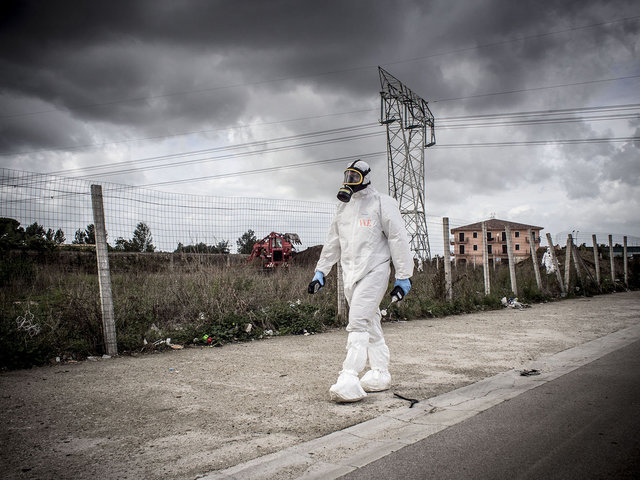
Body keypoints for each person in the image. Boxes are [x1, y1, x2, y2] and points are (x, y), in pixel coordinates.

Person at [308, 160, 414, 403]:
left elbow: (398, 238)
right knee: (370, 321)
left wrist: (403, 276)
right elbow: (333, 242)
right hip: (350, 275)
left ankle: (349, 378)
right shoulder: (342, 209)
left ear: (366, 177)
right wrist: (321, 272)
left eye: (354, 176)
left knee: (357, 322)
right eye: (347, 176)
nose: (349, 181)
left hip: (375, 271)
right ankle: (380, 372)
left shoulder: (382, 203)